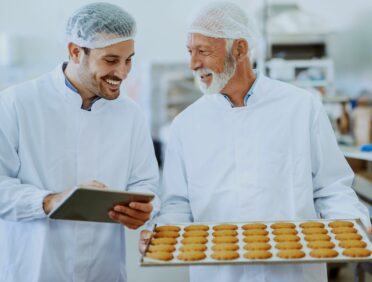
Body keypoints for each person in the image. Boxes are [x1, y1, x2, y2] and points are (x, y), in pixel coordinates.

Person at [140, 2, 371, 282]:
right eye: (190, 52)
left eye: (203, 51)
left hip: (292, 274)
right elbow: (177, 204)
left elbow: (332, 188)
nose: (193, 64)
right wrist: (162, 234)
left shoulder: (301, 107)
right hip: (219, 274)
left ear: (239, 49)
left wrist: (354, 227)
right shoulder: (185, 125)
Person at [0, 3, 159, 282]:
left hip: (104, 269)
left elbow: (146, 184)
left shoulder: (130, 113)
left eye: (128, 60)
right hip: (34, 269)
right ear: (75, 52)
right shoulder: (16, 103)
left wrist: (145, 210)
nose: (122, 73)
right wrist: (50, 201)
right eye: (111, 60)